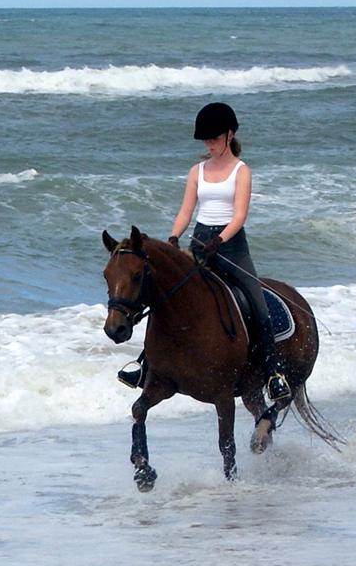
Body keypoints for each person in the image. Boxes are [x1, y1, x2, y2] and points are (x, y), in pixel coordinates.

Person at [117, 102, 291, 403]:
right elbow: (186, 210)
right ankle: (144, 366)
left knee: (258, 307)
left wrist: (220, 240)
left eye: (214, 139)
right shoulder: (197, 170)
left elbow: (239, 216)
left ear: (229, 134)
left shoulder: (241, 171)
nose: (209, 145)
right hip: (199, 243)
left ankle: (274, 374)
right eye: (206, 140)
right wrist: (174, 235)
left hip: (232, 247)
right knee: (165, 298)